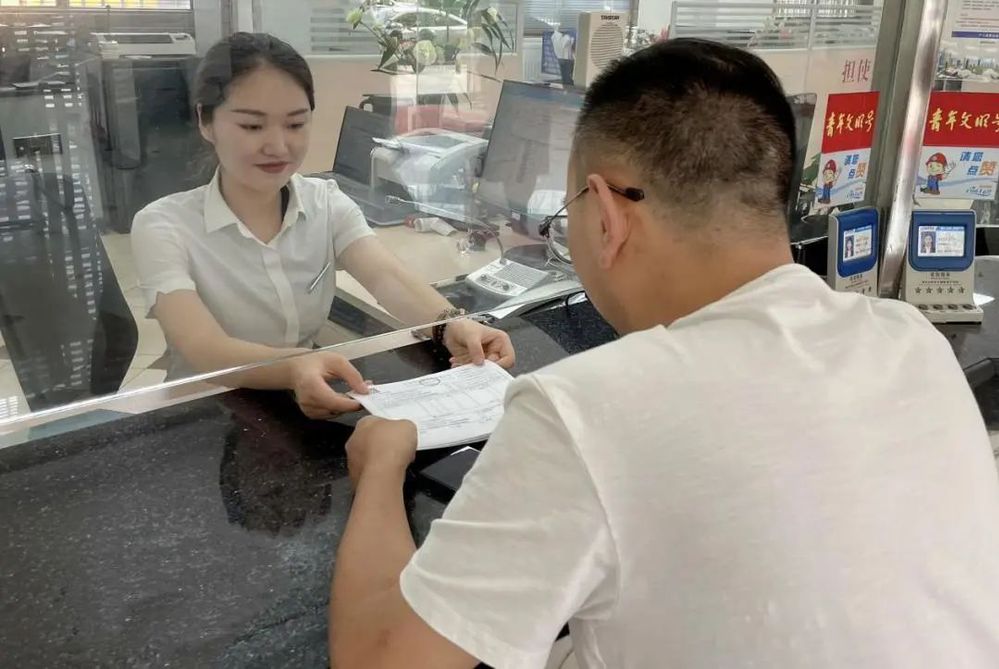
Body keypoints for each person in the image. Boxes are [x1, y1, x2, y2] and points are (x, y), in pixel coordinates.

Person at [329, 39, 999, 668]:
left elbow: (379, 659)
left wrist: (380, 467)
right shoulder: (909, 339)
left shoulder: (586, 408)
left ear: (606, 213)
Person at [131, 33, 514, 418]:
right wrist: (296, 367)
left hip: (300, 405)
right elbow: (203, 347)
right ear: (206, 121)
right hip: (202, 414)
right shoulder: (163, 226)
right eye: (252, 126)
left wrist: (453, 326)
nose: (278, 146)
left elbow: (386, 277)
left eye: (295, 124)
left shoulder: (325, 202)